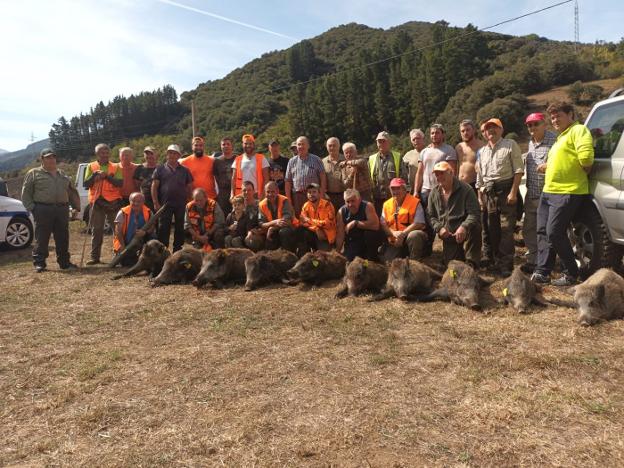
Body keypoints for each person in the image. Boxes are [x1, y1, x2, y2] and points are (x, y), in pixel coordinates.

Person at [532, 101, 594, 286]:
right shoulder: (560, 138)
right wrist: (547, 166)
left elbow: (585, 157)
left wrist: (585, 166)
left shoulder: (578, 131)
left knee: (554, 233)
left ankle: (571, 273)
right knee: (543, 232)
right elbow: (565, 159)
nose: (554, 120)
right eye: (552, 117)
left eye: (558, 115)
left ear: (571, 115)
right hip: (549, 191)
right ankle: (543, 272)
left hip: (567, 191)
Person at [475, 118, 524, 274]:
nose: (491, 131)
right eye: (488, 128)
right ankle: (495, 261)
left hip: (506, 193)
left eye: (494, 127)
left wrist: (513, 192)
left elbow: (518, 170)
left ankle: (506, 265)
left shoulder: (510, 145)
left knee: (506, 229)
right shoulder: (482, 152)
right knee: (492, 229)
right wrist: (480, 196)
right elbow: (480, 178)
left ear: (501, 129)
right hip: (489, 195)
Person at [21, 148, 80, 272]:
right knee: (42, 237)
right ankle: (39, 263)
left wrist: (76, 207)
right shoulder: (33, 173)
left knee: (63, 237)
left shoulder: (62, 173)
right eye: (48, 157)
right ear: (42, 159)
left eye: (53, 157)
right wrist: (33, 209)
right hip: (43, 209)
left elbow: (71, 191)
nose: (51, 159)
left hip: (62, 209)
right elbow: (26, 194)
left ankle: (64, 263)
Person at [521, 112, 557, 274]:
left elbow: (560, 164)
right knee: (529, 228)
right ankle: (534, 260)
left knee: (550, 231)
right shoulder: (530, 143)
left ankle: (552, 262)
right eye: (529, 125)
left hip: (549, 194)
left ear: (544, 124)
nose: (532, 127)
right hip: (532, 194)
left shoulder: (554, 141)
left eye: (536, 124)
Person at [427, 161, 481, 267]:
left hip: (464, 230)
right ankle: (454, 255)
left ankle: (472, 261)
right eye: (437, 174)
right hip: (449, 235)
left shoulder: (466, 189)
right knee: (453, 265)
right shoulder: (433, 193)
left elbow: (474, 213)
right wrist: (439, 228)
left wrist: (464, 227)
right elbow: (430, 216)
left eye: (442, 173)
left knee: (476, 227)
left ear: (451, 173)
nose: (439, 177)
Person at [84, 143, 123, 265]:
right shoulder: (91, 166)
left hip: (113, 202)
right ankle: (95, 257)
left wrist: (106, 177)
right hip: (97, 202)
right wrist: (94, 176)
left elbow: (119, 183)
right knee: (97, 230)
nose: (104, 155)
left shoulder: (116, 166)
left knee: (117, 230)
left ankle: (118, 255)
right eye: (102, 152)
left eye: (106, 152)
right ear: (97, 154)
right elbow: (86, 184)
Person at [151, 144, 193, 252]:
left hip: (181, 204)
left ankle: (177, 251)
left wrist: (189, 201)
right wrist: (155, 203)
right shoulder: (159, 169)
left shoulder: (185, 170)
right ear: (166, 154)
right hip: (165, 204)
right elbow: (154, 187)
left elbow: (189, 187)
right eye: (170, 153)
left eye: (175, 153)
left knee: (180, 228)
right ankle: (163, 251)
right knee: (163, 228)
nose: (172, 155)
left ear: (179, 155)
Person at [379, 178, 428, 262]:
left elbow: (419, 223)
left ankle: (414, 263)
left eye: (398, 188)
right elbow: (383, 224)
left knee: (414, 235)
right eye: (393, 189)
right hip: (395, 239)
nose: (395, 191)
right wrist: (393, 233)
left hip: (410, 237)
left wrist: (403, 235)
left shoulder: (415, 202)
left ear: (405, 189)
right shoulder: (386, 204)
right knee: (388, 262)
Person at [414, 124, 458, 207]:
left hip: (441, 190)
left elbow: (452, 172)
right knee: (427, 217)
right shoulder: (424, 151)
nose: (434, 135)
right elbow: (419, 173)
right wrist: (416, 191)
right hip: (425, 191)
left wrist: (450, 189)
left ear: (443, 134)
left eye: (437, 133)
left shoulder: (449, 150)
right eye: (432, 133)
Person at [248, 181, 297, 252]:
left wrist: (272, 228)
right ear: (265, 192)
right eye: (268, 192)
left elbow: (286, 221)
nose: (270, 194)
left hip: (290, 229)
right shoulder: (262, 205)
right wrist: (274, 222)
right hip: (272, 230)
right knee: (266, 239)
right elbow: (261, 224)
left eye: (273, 192)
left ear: (277, 191)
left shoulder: (284, 200)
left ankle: (289, 256)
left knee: (284, 232)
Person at [335, 188, 383, 262]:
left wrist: (356, 223)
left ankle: (374, 258)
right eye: (347, 202)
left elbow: (376, 226)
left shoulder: (368, 206)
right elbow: (340, 235)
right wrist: (337, 253)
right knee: (350, 261)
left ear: (359, 200)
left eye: (353, 201)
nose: (350, 204)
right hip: (353, 241)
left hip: (368, 240)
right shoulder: (341, 212)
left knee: (370, 236)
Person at [285, 136, 327, 216]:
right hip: (297, 197)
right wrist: (289, 199)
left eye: (303, 144)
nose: (301, 146)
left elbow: (323, 178)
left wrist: (322, 194)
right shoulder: (291, 161)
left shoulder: (316, 159)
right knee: (299, 219)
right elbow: (288, 181)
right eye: (299, 144)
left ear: (308, 146)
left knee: (314, 218)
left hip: (313, 195)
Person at [368, 131, 407, 215]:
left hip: (394, 197)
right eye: (379, 141)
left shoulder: (398, 156)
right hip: (377, 198)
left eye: (383, 141)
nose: (381, 143)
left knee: (394, 219)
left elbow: (403, 177)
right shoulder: (371, 159)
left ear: (389, 142)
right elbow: (368, 178)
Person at [113, 192, 153, 266]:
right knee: (127, 263)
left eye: (139, 201)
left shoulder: (148, 212)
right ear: (129, 201)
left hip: (141, 240)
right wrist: (122, 245)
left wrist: (144, 233)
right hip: (125, 243)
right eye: (133, 201)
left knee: (153, 237)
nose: (136, 203)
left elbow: (152, 228)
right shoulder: (122, 212)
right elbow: (118, 231)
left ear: (143, 202)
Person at [185, 187, 225, 252]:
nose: (199, 203)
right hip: (197, 235)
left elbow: (219, 222)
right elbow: (187, 225)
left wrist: (207, 235)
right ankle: (197, 245)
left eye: (201, 200)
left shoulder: (213, 204)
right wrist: (199, 238)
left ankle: (218, 253)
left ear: (206, 198)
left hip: (211, 233)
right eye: (196, 200)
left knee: (219, 233)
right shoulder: (189, 206)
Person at [231, 134, 270, 199]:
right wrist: (232, 193)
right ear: (242, 145)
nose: (248, 146)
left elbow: (266, 179)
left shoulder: (262, 158)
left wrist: (263, 194)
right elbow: (233, 179)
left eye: (250, 143)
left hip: (257, 195)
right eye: (246, 143)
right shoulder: (237, 159)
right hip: (241, 196)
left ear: (253, 145)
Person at [299, 183, 336, 251]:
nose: (311, 194)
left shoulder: (327, 205)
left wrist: (309, 220)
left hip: (325, 236)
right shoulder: (305, 205)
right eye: (309, 192)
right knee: (301, 231)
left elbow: (328, 224)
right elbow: (302, 222)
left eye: (314, 192)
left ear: (319, 193)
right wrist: (316, 229)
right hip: (315, 232)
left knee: (324, 258)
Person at [180, 136, 217, 201]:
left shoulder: (212, 161)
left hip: (211, 197)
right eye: (196, 145)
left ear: (203, 147)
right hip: (193, 199)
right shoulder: (184, 162)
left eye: (201, 145)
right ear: (192, 147)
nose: (198, 147)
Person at [455, 119, 484, 189]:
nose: (465, 133)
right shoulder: (458, 147)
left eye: (468, 130)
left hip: (475, 185)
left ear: (473, 130)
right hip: (460, 184)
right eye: (463, 131)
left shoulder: (481, 146)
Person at [214, 137, 236, 215]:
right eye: (223, 144)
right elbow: (215, 177)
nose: (226, 146)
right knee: (223, 215)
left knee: (236, 214)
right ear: (221, 146)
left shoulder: (238, 159)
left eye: (228, 144)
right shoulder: (216, 161)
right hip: (222, 194)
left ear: (232, 146)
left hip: (236, 192)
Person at [322, 136, 346, 211]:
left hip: (344, 195)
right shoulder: (322, 162)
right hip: (330, 196)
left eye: (334, 145)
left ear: (339, 146)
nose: (332, 148)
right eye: (330, 146)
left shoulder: (346, 159)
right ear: (326, 147)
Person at [133, 146, 158, 212]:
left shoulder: (161, 168)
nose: (149, 156)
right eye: (147, 154)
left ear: (156, 155)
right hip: (144, 201)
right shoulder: (139, 168)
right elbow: (137, 185)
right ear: (144, 156)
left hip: (159, 199)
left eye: (151, 154)